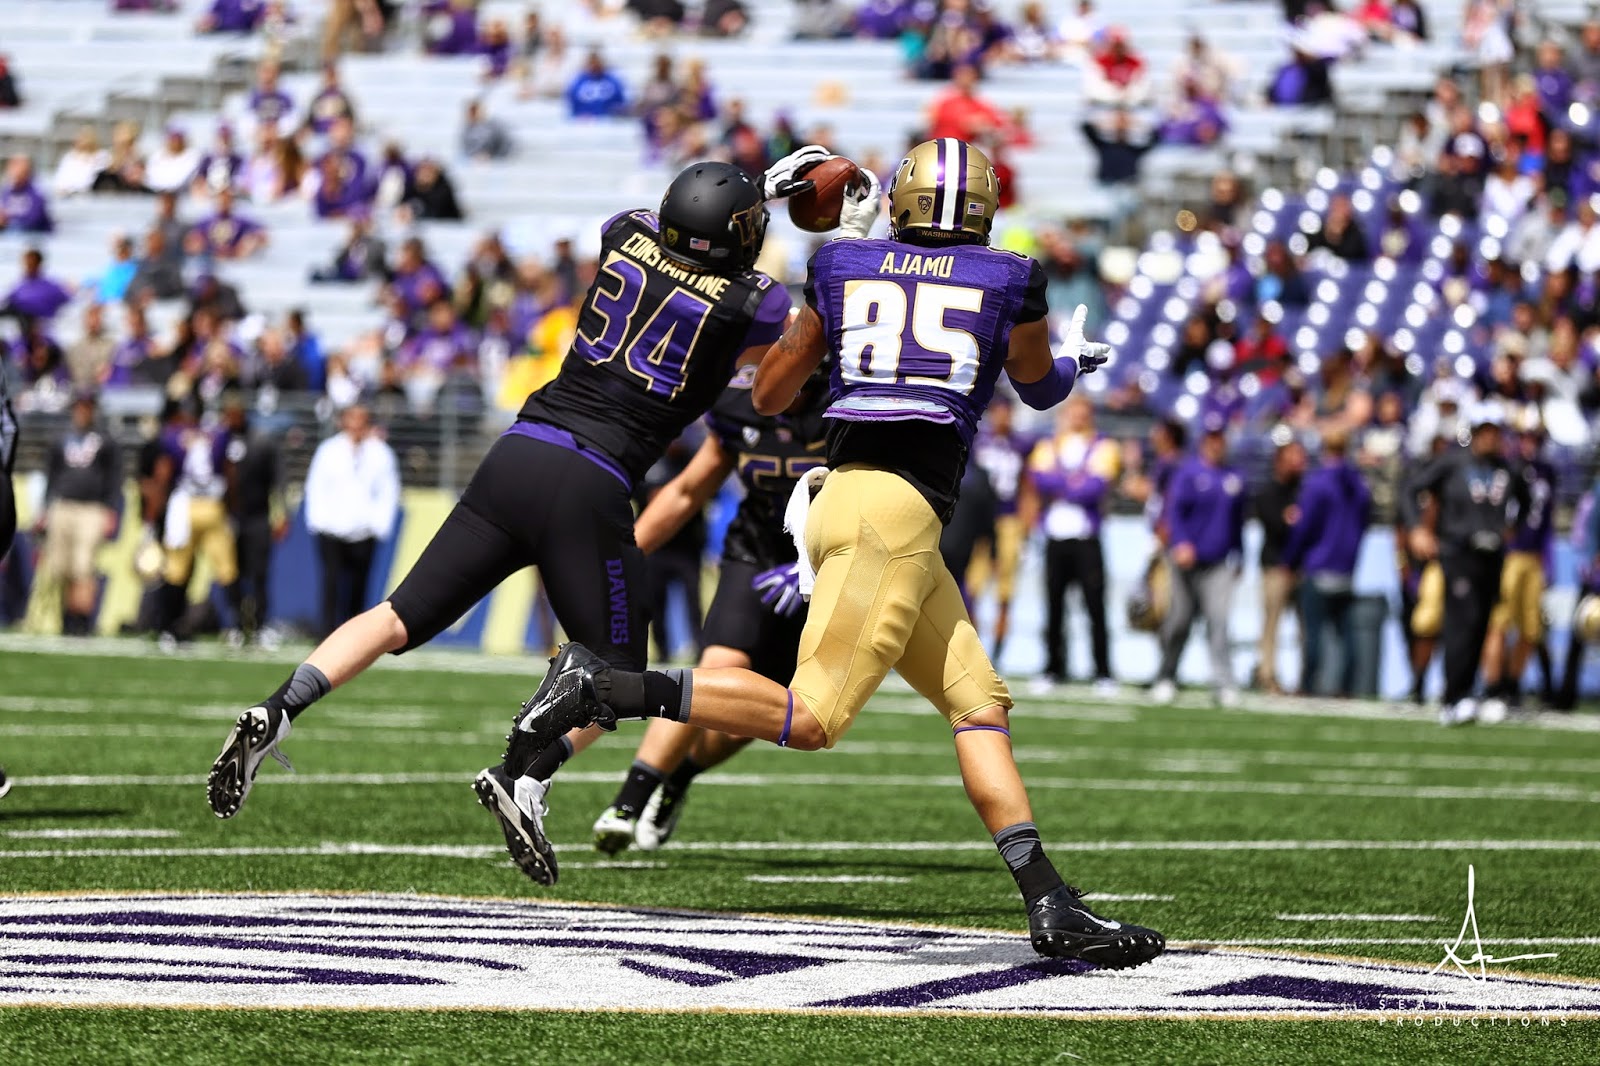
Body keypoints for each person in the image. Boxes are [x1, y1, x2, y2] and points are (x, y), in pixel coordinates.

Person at [498, 139, 1164, 969]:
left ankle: (1050, 901)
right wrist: (1075, 362)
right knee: (811, 718)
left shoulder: (843, 264)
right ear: (985, 207)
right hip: (899, 515)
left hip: (841, 498)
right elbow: (1038, 388)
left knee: (977, 704)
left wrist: (835, 269)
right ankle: (603, 685)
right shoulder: (1009, 277)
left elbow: (772, 393)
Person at [205, 159, 792, 847]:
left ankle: (279, 708)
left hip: (518, 451)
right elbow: (775, 377)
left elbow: (661, 242)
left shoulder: (624, 233)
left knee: (396, 616)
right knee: (616, 682)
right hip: (592, 478)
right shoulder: (756, 301)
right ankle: (524, 774)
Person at [588, 363, 831, 853]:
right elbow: (686, 490)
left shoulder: (846, 408)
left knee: (779, 708)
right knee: (719, 665)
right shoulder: (738, 401)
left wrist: (815, 563)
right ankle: (629, 801)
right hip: (757, 553)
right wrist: (625, 559)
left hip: (833, 561)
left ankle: (678, 777)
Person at [1401, 403, 1530, 726]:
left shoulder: (1507, 468)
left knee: (1481, 625)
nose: (1490, 438)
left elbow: (1526, 501)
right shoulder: (1453, 463)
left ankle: (1465, 694)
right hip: (1459, 552)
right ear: (1474, 432)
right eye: (1485, 431)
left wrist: (1513, 528)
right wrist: (1417, 529)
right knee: (1461, 623)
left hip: (1492, 554)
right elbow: (1411, 489)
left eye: (1495, 432)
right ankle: (1452, 696)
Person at [1024, 394, 1119, 691]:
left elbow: (1095, 488)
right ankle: (1053, 667)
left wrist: (1063, 482)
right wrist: (1075, 481)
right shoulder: (1048, 444)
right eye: (1073, 411)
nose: (1078, 416)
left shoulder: (1105, 446)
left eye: (1083, 411)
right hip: (1055, 536)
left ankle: (1103, 671)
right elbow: (1039, 479)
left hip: (1086, 537)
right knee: (1054, 606)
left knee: (1095, 606)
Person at [1150, 415, 1246, 706]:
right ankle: (1166, 675)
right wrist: (1181, 544)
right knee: (1178, 620)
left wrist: (1240, 554)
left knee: (1218, 621)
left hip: (1218, 562)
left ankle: (1223, 682)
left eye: (1220, 438)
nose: (1216, 444)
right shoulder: (1188, 473)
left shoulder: (1234, 478)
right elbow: (1174, 512)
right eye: (1212, 437)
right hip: (1185, 561)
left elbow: (1238, 522)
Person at [1282, 429, 1371, 697]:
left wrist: (1290, 559)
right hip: (1347, 565)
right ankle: (1347, 685)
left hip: (1319, 564)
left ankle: (1309, 683)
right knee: (1346, 633)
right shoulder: (1359, 485)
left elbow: (1304, 527)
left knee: (1314, 631)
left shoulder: (1318, 483)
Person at [303, 405, 399, 638]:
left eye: (361, 421)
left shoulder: (380, 453)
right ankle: (326, 633)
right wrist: (318, 521)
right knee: (331, 582)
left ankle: (353, 636)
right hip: (332, 528)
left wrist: (379, 525)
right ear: (343, 423)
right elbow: (316, 487)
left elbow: (388, 491)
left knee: (358, 585)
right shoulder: (329, 450)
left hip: (364, 530)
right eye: (352, 421)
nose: (356, 427)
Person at [1480, 414, 1555, 714]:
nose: (1529, 442)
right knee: (1499, 624)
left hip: (1533, 557)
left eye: (1535, 436)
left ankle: (1512, 686)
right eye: (1525, 436)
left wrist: (1548, 560)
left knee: (1530, 628)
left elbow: (1546, 521)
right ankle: (1493, 687)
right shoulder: (1504, 469)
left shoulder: (1547, 471)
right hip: (1509, 555)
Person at [38, 392, 121, 635]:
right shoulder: (61, 439)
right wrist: (45, 508)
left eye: (87, 407)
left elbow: (114, 479)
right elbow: (51, 475)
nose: (83, 412)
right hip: (63, 506)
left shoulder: (106, 440)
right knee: (60, 567)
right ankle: (66, 617)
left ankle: (81, 620)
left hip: (92, 508)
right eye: (79, 406)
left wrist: (110, 511)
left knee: (83, 567)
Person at [965, 395, 1030, 658]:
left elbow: (1028, 487)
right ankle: (973, 650)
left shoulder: (1022, 445)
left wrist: (1027, 525)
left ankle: (998, 654)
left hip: (1008, 520)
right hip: (980, 518)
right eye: (999, 412)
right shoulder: (978, 442)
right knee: (971, 587)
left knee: (1005, 589)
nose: (1003, 417)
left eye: (1007, 412)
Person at [224, 396, 286, 645]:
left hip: (258, 514)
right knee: (232, 573)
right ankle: (237, 623)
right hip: (228, 517)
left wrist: (280, 512)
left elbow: (279, 478)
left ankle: (260, 623)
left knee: (259, 573)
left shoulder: (261, 441)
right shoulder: (221, 440)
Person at [1251, 437, 1305, 694]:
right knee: (1271, 624)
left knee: (1305, 628)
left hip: (1300, 567)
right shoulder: (1268, 492)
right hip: (1275, 568)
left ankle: (1306, 678)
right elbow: (1278, 524)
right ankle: (1267, 675)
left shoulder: (1304, 491)